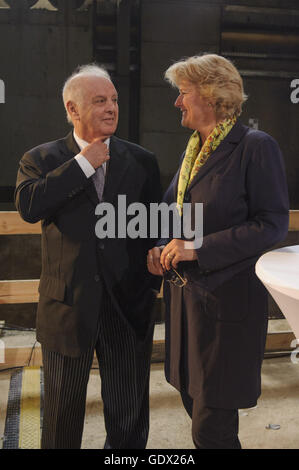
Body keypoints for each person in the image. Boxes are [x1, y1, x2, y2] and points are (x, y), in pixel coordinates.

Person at [15, 64, 162, 449]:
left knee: (129, 424)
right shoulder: (40, 159)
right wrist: (85, 163)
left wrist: (152, 279)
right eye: (100, 101)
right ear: (73, 109)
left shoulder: (142, 161)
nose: (111, 108)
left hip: (127, 310)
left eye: (114, 100)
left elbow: (154, 227)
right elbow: (29, 206)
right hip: (68, 310)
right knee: (61, 423)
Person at [147, 54, 289, 449]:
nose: (177, 102)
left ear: (210, 95)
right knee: (197, 410)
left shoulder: (255, 147)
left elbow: (272, 223)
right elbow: (170, 213)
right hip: (188, 309)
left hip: (226, 309)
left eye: (183, 93)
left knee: (211, 428)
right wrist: (160, 246)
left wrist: (198, 248)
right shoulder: (193, 150)